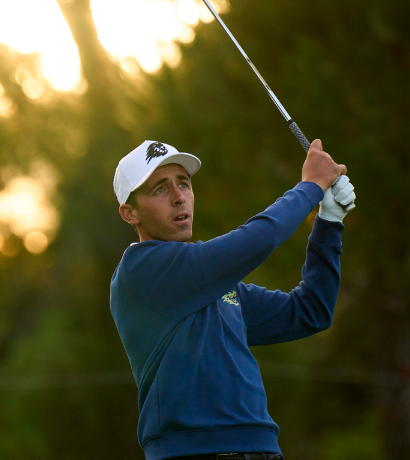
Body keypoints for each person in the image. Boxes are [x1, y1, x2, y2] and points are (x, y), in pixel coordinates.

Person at [110, 139, 355, 460]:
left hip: (262, 448)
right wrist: (310, 187)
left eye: (183, 183)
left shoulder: (218, 286)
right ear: (130, 213)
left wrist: (329, 221)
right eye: (159, 189)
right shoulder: (140, 270)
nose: (179, 197)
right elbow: (256, 239)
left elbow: (310, 312)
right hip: (193, 453)